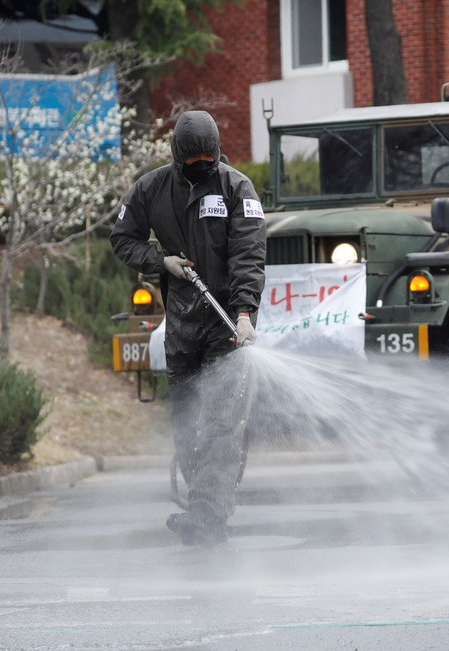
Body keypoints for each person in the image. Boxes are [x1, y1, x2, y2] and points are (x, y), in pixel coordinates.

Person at [110, 110, 266, 546]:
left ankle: (209, 515)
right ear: (177, 155)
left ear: (217, 153)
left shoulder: (238, 188)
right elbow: (122, 238)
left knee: (220, 423)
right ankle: (204, 504)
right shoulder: (151, 188)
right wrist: (161, 261)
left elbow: (249, 255)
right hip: (182, 326)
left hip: (227, 327)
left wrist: (244, 314)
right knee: (186, 423)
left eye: (207, 159)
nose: (201, 166)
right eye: (192, 160)